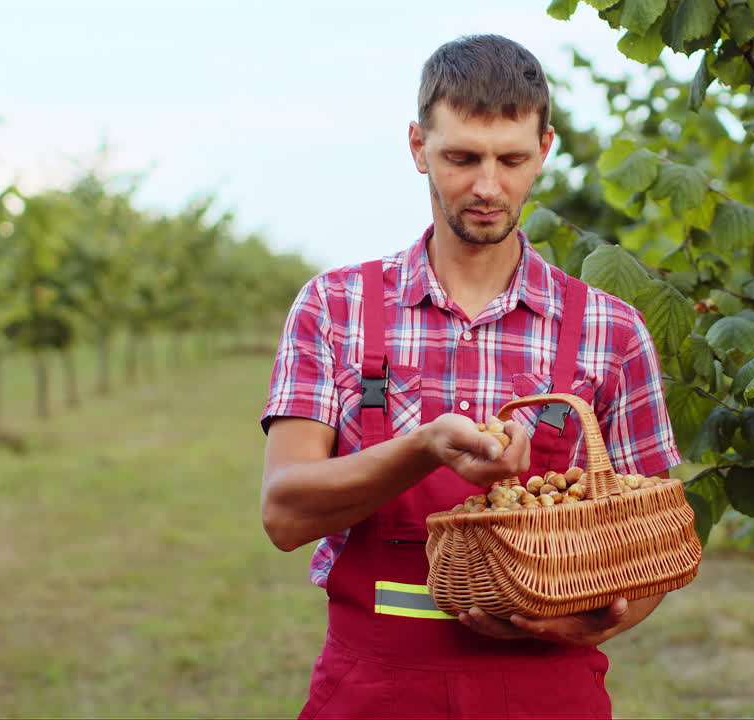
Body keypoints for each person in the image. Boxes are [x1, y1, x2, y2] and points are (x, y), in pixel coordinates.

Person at [259, 34, 683, 719]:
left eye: (511, 159)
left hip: (543, 689)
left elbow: (652, 547)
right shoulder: (336, 308)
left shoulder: (610, 330)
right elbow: (284, 513)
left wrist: (592, 624)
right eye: (461, 157)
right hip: (374, 685)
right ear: (417, 146)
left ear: (544, 151)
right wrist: (421, 448)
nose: (488, 186)